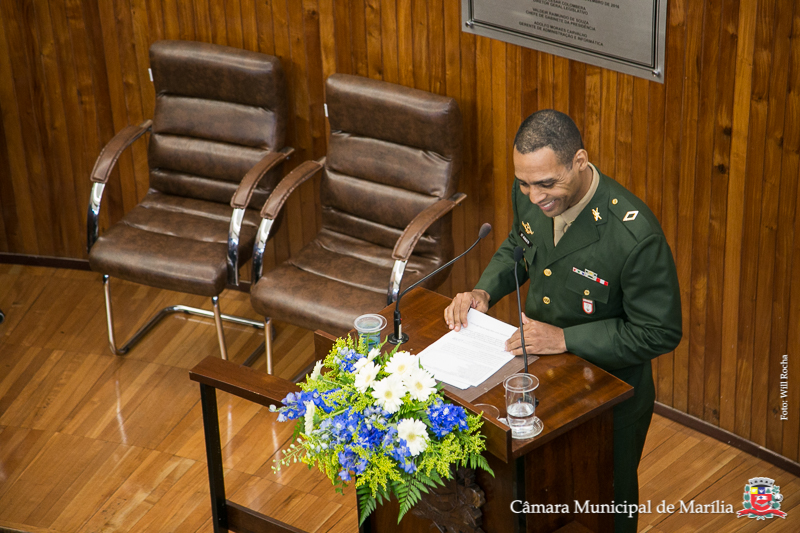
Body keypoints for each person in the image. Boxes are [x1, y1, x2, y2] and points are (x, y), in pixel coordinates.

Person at [444, 109, 682, 533]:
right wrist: (484, 292)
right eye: (524, 183)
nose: (535, 196)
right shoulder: (531, 191)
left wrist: (565, 338)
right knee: (542, 494)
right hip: (541, 378)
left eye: (546, 184)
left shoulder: (633, 235)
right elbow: (518, 245)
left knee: (604, 507)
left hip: (607, 398)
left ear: (580, 161)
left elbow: (659, 332)